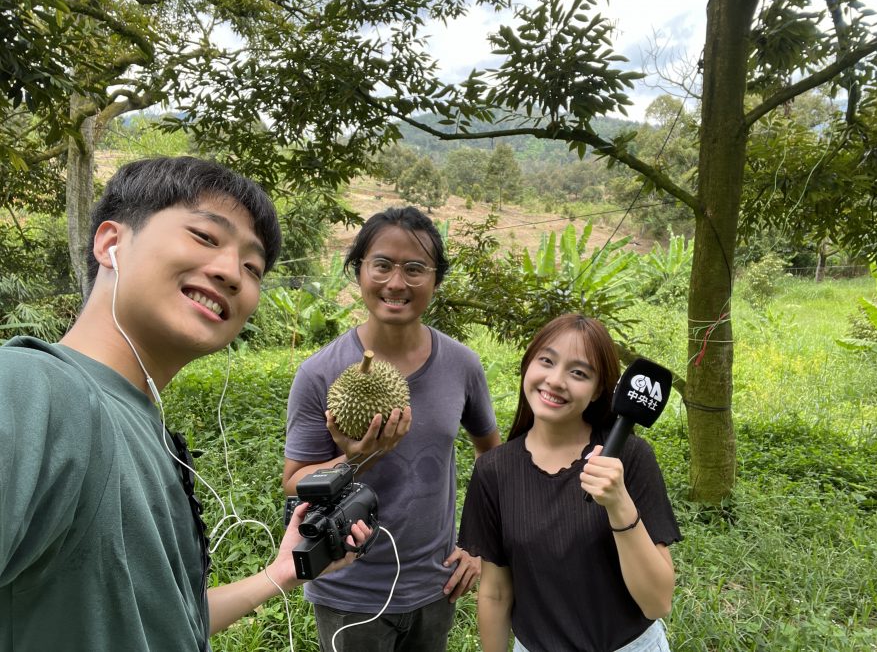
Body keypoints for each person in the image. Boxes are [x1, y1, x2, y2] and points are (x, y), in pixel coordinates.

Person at [0, 156, 369, 650]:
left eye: (252, 266)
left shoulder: (141, 426)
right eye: (205, 237)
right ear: (112, 244)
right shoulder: (34, 387)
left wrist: (281, 573)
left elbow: (164, 618)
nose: (232, 273)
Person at [284, 206, 501, 651]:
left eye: (415, 269)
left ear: (436, 280)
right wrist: (358, 457)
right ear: (358, 271)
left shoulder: (462, 365)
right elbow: (294, 484)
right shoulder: (319, 374)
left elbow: (491, 457)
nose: (396, 283)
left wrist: (479, 543)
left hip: (434, 585)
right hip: (348, 590)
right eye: (381, 265)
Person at [459, 313, 681, 652]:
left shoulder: (630, 457)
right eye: (546, 361)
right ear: (527, 365)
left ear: (597, 392)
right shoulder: (494, 470)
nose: (556, 380)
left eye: (579, 372)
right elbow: (495, 591)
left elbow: (657, 603)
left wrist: (619, 503)